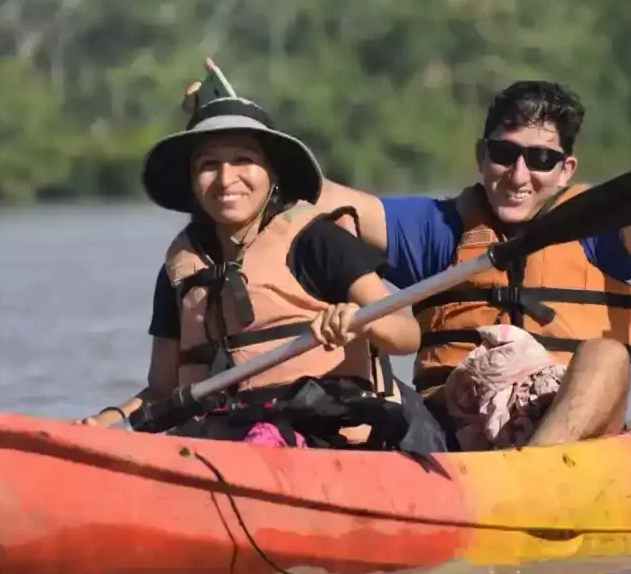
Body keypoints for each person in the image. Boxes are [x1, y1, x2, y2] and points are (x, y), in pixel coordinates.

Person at [176, 71, 631, 450]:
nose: (519, 174)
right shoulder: (438, 231)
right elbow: (313, 191)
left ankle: (537, 476)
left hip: (565, 438)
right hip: (457, 434)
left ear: (567, 168)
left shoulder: (603, 231)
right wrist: (223, 135)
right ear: (482, 156)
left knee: (608, 352)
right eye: (504, 154)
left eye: (541, 159)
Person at [79, 95, 447, 453]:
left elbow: (407, 334)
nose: (226, 179)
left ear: (272, 175)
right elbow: (161, 389)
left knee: (265, 437)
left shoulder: (317, 242)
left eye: (244, 160)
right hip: (223, 438)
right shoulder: (179, 272)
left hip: (331, 434)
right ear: (191, 180)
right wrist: (106, 422)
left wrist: (360, 320)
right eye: (209, 165)